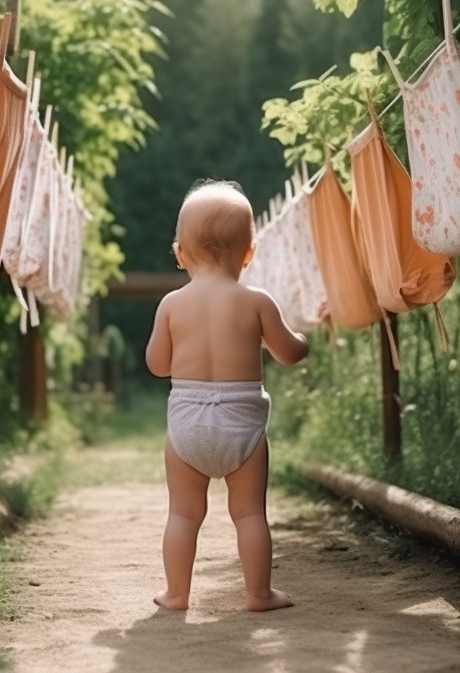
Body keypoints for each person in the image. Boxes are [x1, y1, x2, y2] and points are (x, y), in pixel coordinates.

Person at [145, 179, 309, 612]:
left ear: (180, 253)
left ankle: (177, 594)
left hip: (187, 427)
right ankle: (259, 594)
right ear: (249, 252)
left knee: (183, 514)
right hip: (243, 427)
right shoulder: (257, 301)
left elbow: (158, 365)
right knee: (250, 514)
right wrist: (303, 340)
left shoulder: (171, 304)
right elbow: (289, 353)